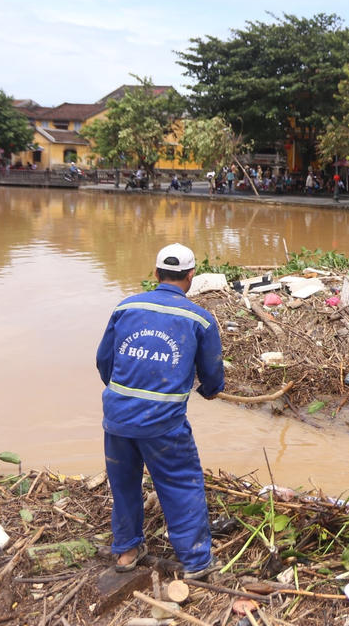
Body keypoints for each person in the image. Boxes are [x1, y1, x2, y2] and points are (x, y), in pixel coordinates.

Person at [96, 243, 225, 579]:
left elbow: (104, 361)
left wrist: (127, 392)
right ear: (191, 276)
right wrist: (209, 392)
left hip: (117, 417)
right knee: (181, 484)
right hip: (163, 423)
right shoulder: (200, 318)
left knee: (123, 484)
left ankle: (126, 551)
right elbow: (211, 373)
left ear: (155, 274)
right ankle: (196, 562)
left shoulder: (126, 306)